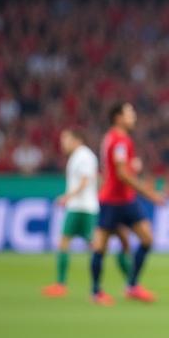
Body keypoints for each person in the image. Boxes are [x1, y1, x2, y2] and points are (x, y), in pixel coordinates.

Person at [89, 102, 165, 306]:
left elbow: (118, 168)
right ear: (118, 117)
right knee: (100, 246)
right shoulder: (120, 139)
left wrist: (133, 166)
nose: (134, 117)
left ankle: (132, 286)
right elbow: (122, 174)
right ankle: (96, 292)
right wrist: (150, 194)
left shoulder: (113, 138)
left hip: (126, 199)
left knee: (147, 239)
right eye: (130, 114)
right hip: (112, 200)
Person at [42, 127, 132, 296]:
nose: (63, 143)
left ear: (77, 139)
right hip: (79, 206)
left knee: (95, 246)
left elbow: (85, 181)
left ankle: (122, 282)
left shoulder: (84, 156)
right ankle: (63, 284)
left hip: (82, 207)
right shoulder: (77, 156)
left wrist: (67, 197)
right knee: (80, 244)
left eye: (66, 139)